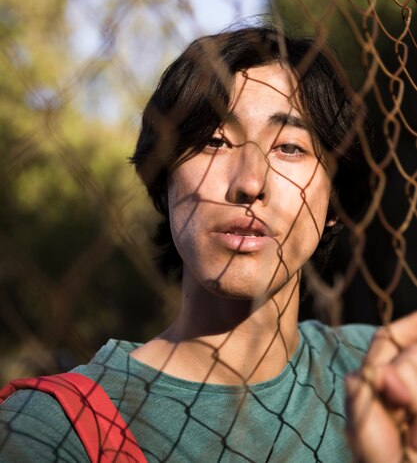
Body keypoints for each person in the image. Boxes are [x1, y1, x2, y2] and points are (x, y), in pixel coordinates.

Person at [1, 25, 417, 462]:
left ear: (332, 199)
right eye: (215, 141)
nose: (250, 183)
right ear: (164, 182)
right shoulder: (49, 430)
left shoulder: (383, 372)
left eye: (290, 148)